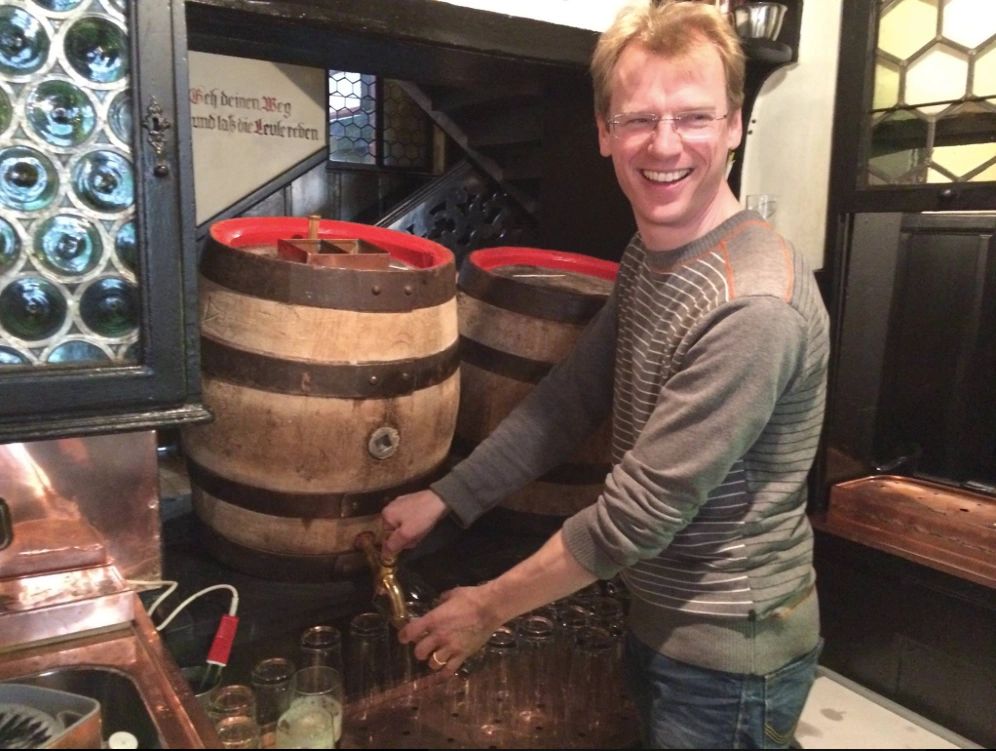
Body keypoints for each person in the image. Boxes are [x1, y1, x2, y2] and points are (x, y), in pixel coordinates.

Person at [380, 1, 830, 747]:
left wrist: (488, 606)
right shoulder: (651, 256)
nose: (664, 145)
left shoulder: (753, 303)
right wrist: (448, 496)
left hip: (729, 660)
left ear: (733, 125)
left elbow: (635, 516)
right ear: (604, 131)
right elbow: (570, 400)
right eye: (638, 119)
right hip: (657, 620)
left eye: (693, 117)